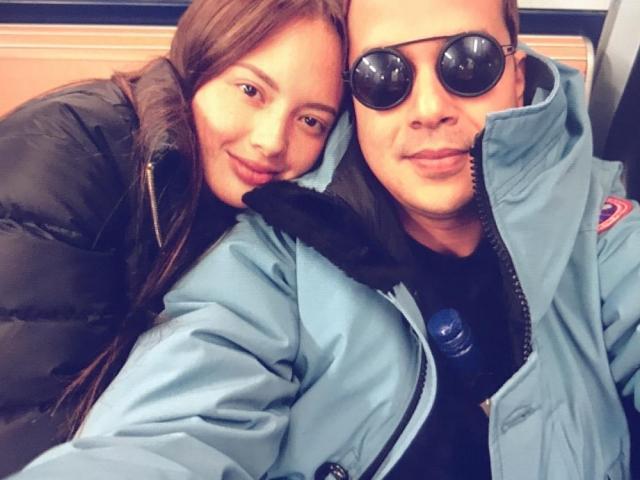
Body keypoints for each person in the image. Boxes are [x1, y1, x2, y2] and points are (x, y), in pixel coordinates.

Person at [6, 0, 640, 478]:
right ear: (356, 102)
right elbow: (169, 428)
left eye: (467, 63)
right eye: (384, 76)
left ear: (517, 76)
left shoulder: (601, 228)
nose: (428, 108)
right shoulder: (274, 260)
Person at [0, 0, 345, 475]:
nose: (271, 141)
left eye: (311, 121)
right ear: (197, 66)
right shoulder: (73, 152)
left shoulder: (246, 211)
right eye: (251, 91)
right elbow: (23, 420)